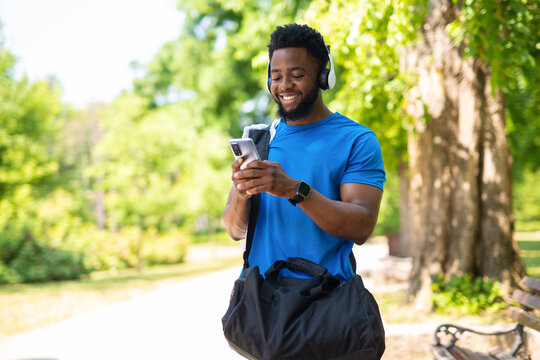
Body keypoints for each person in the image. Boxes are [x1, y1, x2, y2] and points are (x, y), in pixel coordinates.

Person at [222, 23, 386, 282]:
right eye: (276, 77)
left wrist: (295, 190)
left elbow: (362, 226)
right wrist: (243, 193)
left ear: (323, 77)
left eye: (296, 75)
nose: (284, 86)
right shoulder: (259, 140)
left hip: (325, 302)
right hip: (259, 304)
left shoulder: (357, 140)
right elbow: (234, 230)